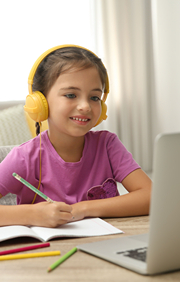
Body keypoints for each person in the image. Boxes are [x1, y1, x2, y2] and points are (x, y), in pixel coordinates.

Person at [0, 45, 152, 228]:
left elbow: (151, 196)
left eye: (94, 97)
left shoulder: (108, 145)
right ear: (40, 103)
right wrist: (32, 215)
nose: (85, 106)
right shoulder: (24, 157)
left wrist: (82, 209)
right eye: (71, 95)